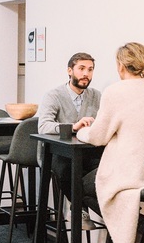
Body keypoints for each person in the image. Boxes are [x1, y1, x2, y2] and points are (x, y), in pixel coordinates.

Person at [76, 42, 144, 243]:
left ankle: (136, 224)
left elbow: (98, 136)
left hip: (130, 174)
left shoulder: (115, 91)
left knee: (78, 185)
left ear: (120, 65)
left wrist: (81, 131)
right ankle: (135, 227)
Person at [37, 52, 102, 213]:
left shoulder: (96, 95)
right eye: (81, 68)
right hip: (57, 154)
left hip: (87, 152)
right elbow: (44, 126)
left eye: (90, 69)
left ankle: (80, 208)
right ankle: (81, 211)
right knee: (69, 171)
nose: (86, 74)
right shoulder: (54, 96)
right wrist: (73, 127)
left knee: (105, 171)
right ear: (69, 71)